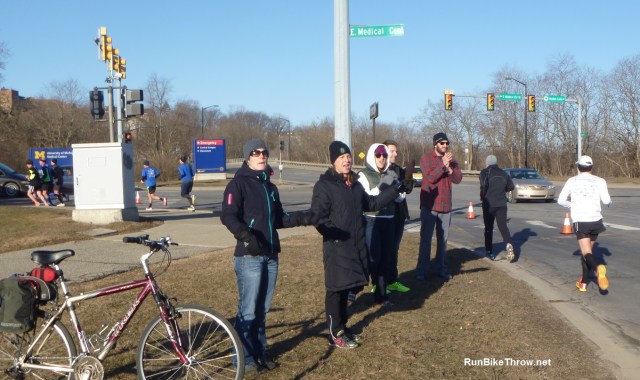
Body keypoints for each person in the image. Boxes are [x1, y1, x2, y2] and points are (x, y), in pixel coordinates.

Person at [221, 138, 313, 373]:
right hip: (249, 257)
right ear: (247, 157)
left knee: (262, 309)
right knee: (248, 309)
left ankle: (260, 353)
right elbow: (228, 216)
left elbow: (279, 219)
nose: (261, 156)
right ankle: (244, 358)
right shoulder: (238, 184)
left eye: (265, 152)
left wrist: (304, 218)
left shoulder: (270, 187)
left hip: (271, 255)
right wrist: (245, 236)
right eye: (256, 152)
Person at [311, 141, 404, 349]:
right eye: (342, 157)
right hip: (336, 246)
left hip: (354, 244)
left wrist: (395, 189)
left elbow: (371, 204)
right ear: (333, 161)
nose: (347, 160)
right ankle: (335, 333)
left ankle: (343, 328)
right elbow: (319, 218)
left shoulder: (354, 185)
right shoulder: (325, 185)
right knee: (336, 289)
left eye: (349, 157)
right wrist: (334, 235)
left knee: (347, 288)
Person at [357, 143, 406, 306]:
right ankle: (354, 288)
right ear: (372, 156)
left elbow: (399, 199)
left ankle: (381, 295)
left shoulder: (391, 173)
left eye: (384, 155)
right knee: (372, 258)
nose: (382, 158)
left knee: (386, 258)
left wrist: (403, 189)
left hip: (389, 220)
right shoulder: (363, 175)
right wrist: (390, 189)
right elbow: (369, 198)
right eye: (378, 155)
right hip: (371, 220)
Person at [557, 155, 612, 292]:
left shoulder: (572, 180)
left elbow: (560, 200)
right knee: (588, 253)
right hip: (596, 220)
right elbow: (606, 201)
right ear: (591, 167)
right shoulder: (600, 181)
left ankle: (598, 269)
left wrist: (572, 205)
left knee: (586, 252)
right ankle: (583, 283)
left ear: (578, 167)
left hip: (581, 220)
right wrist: (610, 203)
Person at [416, 132, 463, 281]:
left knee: (443, 241)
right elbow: (430, 177)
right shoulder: (426, 158)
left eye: (447, 143)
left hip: (446, 206)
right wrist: (443, 165)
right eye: (442, 143)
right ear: (435, 144)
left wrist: (449, 168)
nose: (445, 145)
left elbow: (458, 178)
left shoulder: (452, 160)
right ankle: (421, 272)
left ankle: (441, 270)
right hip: (429, 206)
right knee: (426, 240)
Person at [383, 139, 413, 293]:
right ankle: (380, 283)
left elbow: (406, 189)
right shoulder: (380, 170)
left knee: (394, 249)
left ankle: (392, 281)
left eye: (395, 151)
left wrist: (409, 180)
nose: (396, 153)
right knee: (384, 250)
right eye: (392, 151)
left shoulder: (399, 169)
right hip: (385, 216)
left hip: (399, 214)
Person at [479, 155, 515, 261]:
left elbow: (483, 186)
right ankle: (508, 244)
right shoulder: (504, 173)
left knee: (488, 228)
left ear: (487, 163)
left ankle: (489, 251)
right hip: (502, 204)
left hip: (489, 204)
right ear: (496, 163)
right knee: (503, 226)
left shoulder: (484, 172)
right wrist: (502, 190)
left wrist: (483, 196)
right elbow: (511, 187)